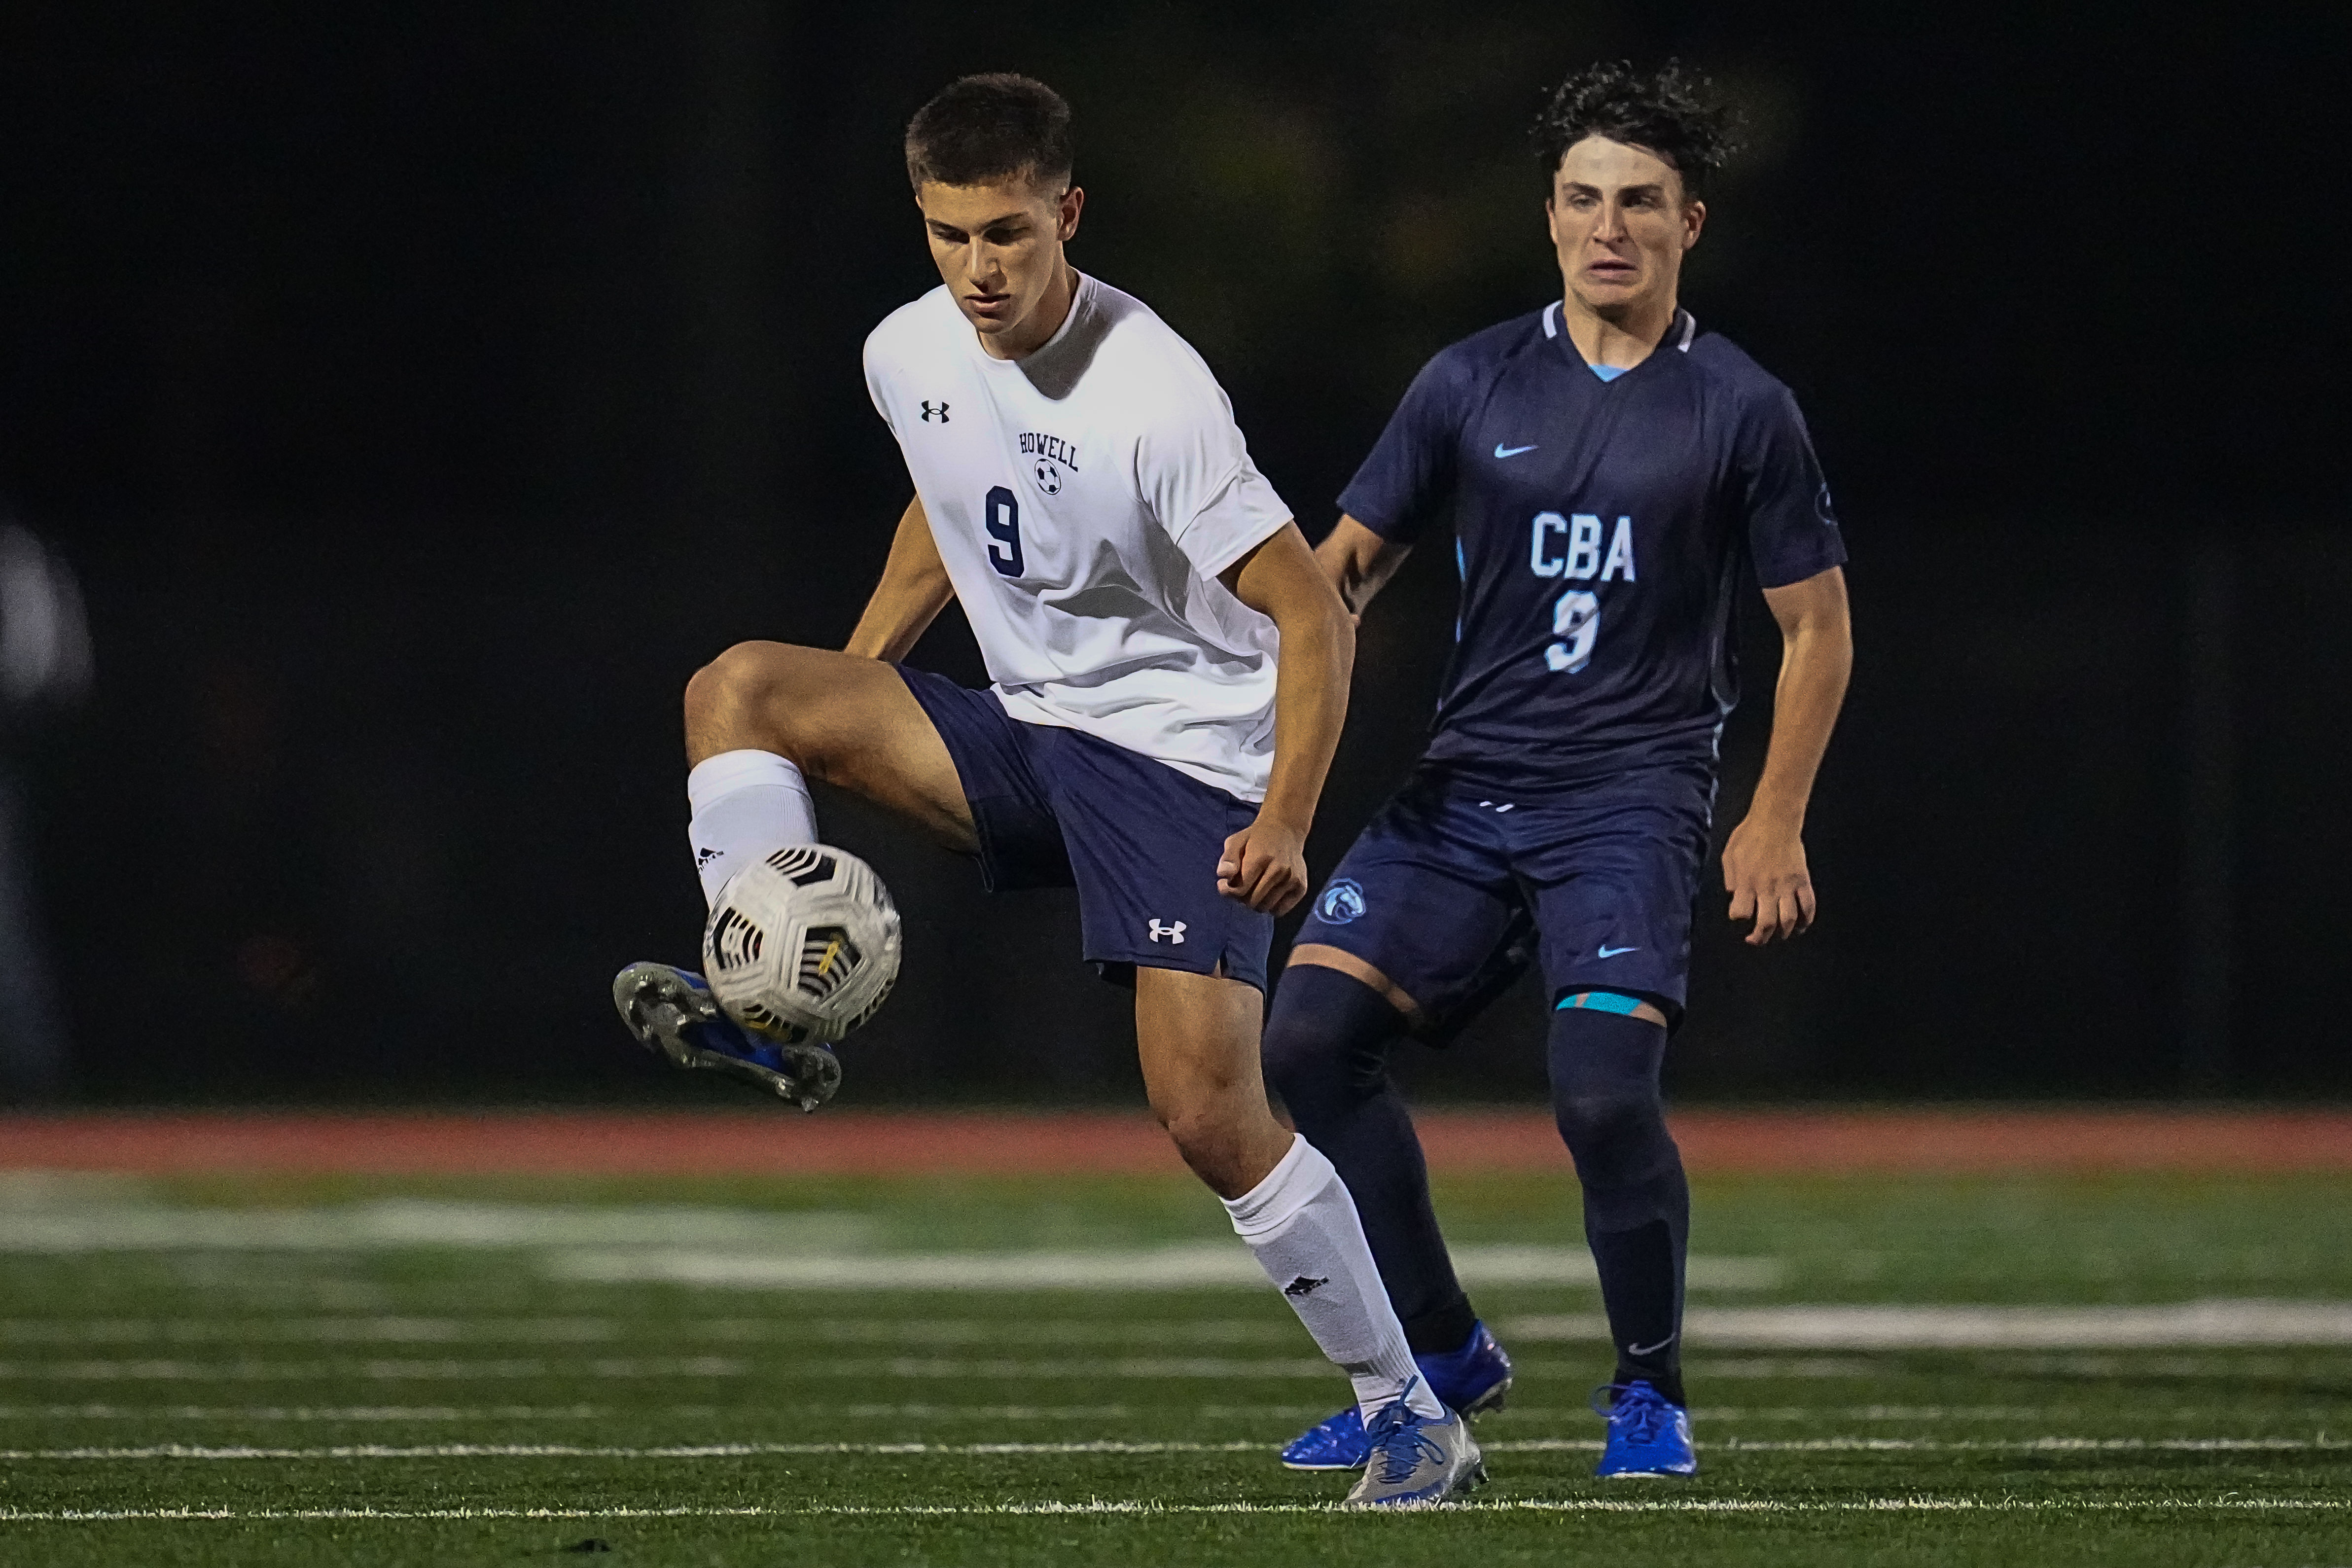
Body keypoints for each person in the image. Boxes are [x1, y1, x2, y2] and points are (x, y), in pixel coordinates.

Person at [611, 72, 1482, 1506]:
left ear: (1065, 212)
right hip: (1024, 730)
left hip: (1182, 762)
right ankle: (763, 988)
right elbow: (945, 500)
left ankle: (1411, 1413)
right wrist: (859, 690)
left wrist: (1281, 818)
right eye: (948, 235)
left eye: (1007, 233)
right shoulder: (911, 349)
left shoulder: (1154, 389)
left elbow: (1316, 616)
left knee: (1207, 1114)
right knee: (743, 689)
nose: (978, 268)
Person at [1261, 60, 1853, 1480]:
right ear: (1547, 219)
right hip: (1458, 791)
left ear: (1687, 225)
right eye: (1583, 199)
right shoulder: (1467, 379)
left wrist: (1772, 815)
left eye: (1639, 202)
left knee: (1597, 1093)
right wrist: (1236, 674)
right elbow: (1340, 572)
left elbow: (1814, 624)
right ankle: (1441, 1353)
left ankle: (1647, 1387)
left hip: (1629, 803)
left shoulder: (1741, 406)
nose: (1609, 226)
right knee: (1301, 1045)